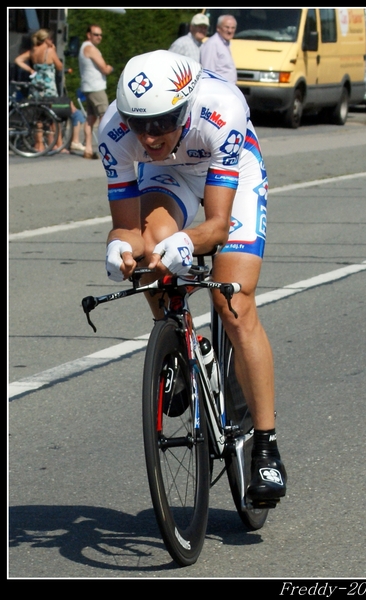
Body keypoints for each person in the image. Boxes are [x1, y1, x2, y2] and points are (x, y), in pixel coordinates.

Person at [98, 49, 287, 507]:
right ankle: (183, 355)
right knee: (148, 258)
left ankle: (266, 443)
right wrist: (120, 246)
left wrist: (186, 243)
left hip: (230, 169)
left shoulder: (223, 109)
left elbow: (218, 226)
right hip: (170, 175)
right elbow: (127, 227)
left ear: (184, 107)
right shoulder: (114, 133)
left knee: (234, 304)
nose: (150, 134)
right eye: (140, 124)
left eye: (162, 122)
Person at [14, 28, 68, 153]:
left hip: (36, 85)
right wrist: (54, 50)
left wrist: (30, 70)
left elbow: (18, 60)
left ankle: (39, 145)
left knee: (37, 116)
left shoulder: (33, 51)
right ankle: (57, 145)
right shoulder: (49, 51)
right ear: (46, 39)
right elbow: (59, 66)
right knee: (53, 115)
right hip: (48, 86)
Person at [78, 24, 113, 159]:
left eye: (100, 35)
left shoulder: (83, 47)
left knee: (90, 119)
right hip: (96, 88)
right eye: (96, 34)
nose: (99, 37)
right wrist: (110, 68)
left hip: (88, 87)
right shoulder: (90, 48)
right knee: (105, 117)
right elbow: (104, 68)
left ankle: (88, 148)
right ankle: (107, 148)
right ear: (89, 35)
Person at [200, 14, 237, 84]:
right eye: (227, 27)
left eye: (233, 28)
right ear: (218, 28)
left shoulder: (224, 44)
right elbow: (208, 73)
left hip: (227, 90)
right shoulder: (212, 44)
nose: (230, 31)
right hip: (217, 90)